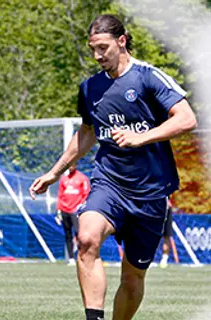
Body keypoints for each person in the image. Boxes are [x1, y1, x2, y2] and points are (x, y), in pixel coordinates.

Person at [29, 14, 197, 320]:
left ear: (122, 41)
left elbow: (186, 118)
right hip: (110, 184)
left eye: (103, 47)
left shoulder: (149, 77)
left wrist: (142, 137)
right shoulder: (90, 88)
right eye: (93, 48)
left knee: (133, 277)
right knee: (87, 237)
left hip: (150, 192)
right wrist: (55, 172)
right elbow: (87, 132)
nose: (97, 55)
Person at [56, 164, 90, 266]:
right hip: (64, 210)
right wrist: (58, 210)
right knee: (67, 235)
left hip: (75, 211)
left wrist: (80, 206)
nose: (70, 167)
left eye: (72, 165)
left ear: (76, 165)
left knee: (79, 234)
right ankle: (70, 258)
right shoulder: (64, 179)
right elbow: (60, 195)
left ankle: (82, 255)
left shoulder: (82, 178)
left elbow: (86, 193)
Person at [159, 198, 179, 268]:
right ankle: (146, 258)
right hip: (153, 208)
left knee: (167, 235)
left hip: (166, 210)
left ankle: (164, 259)